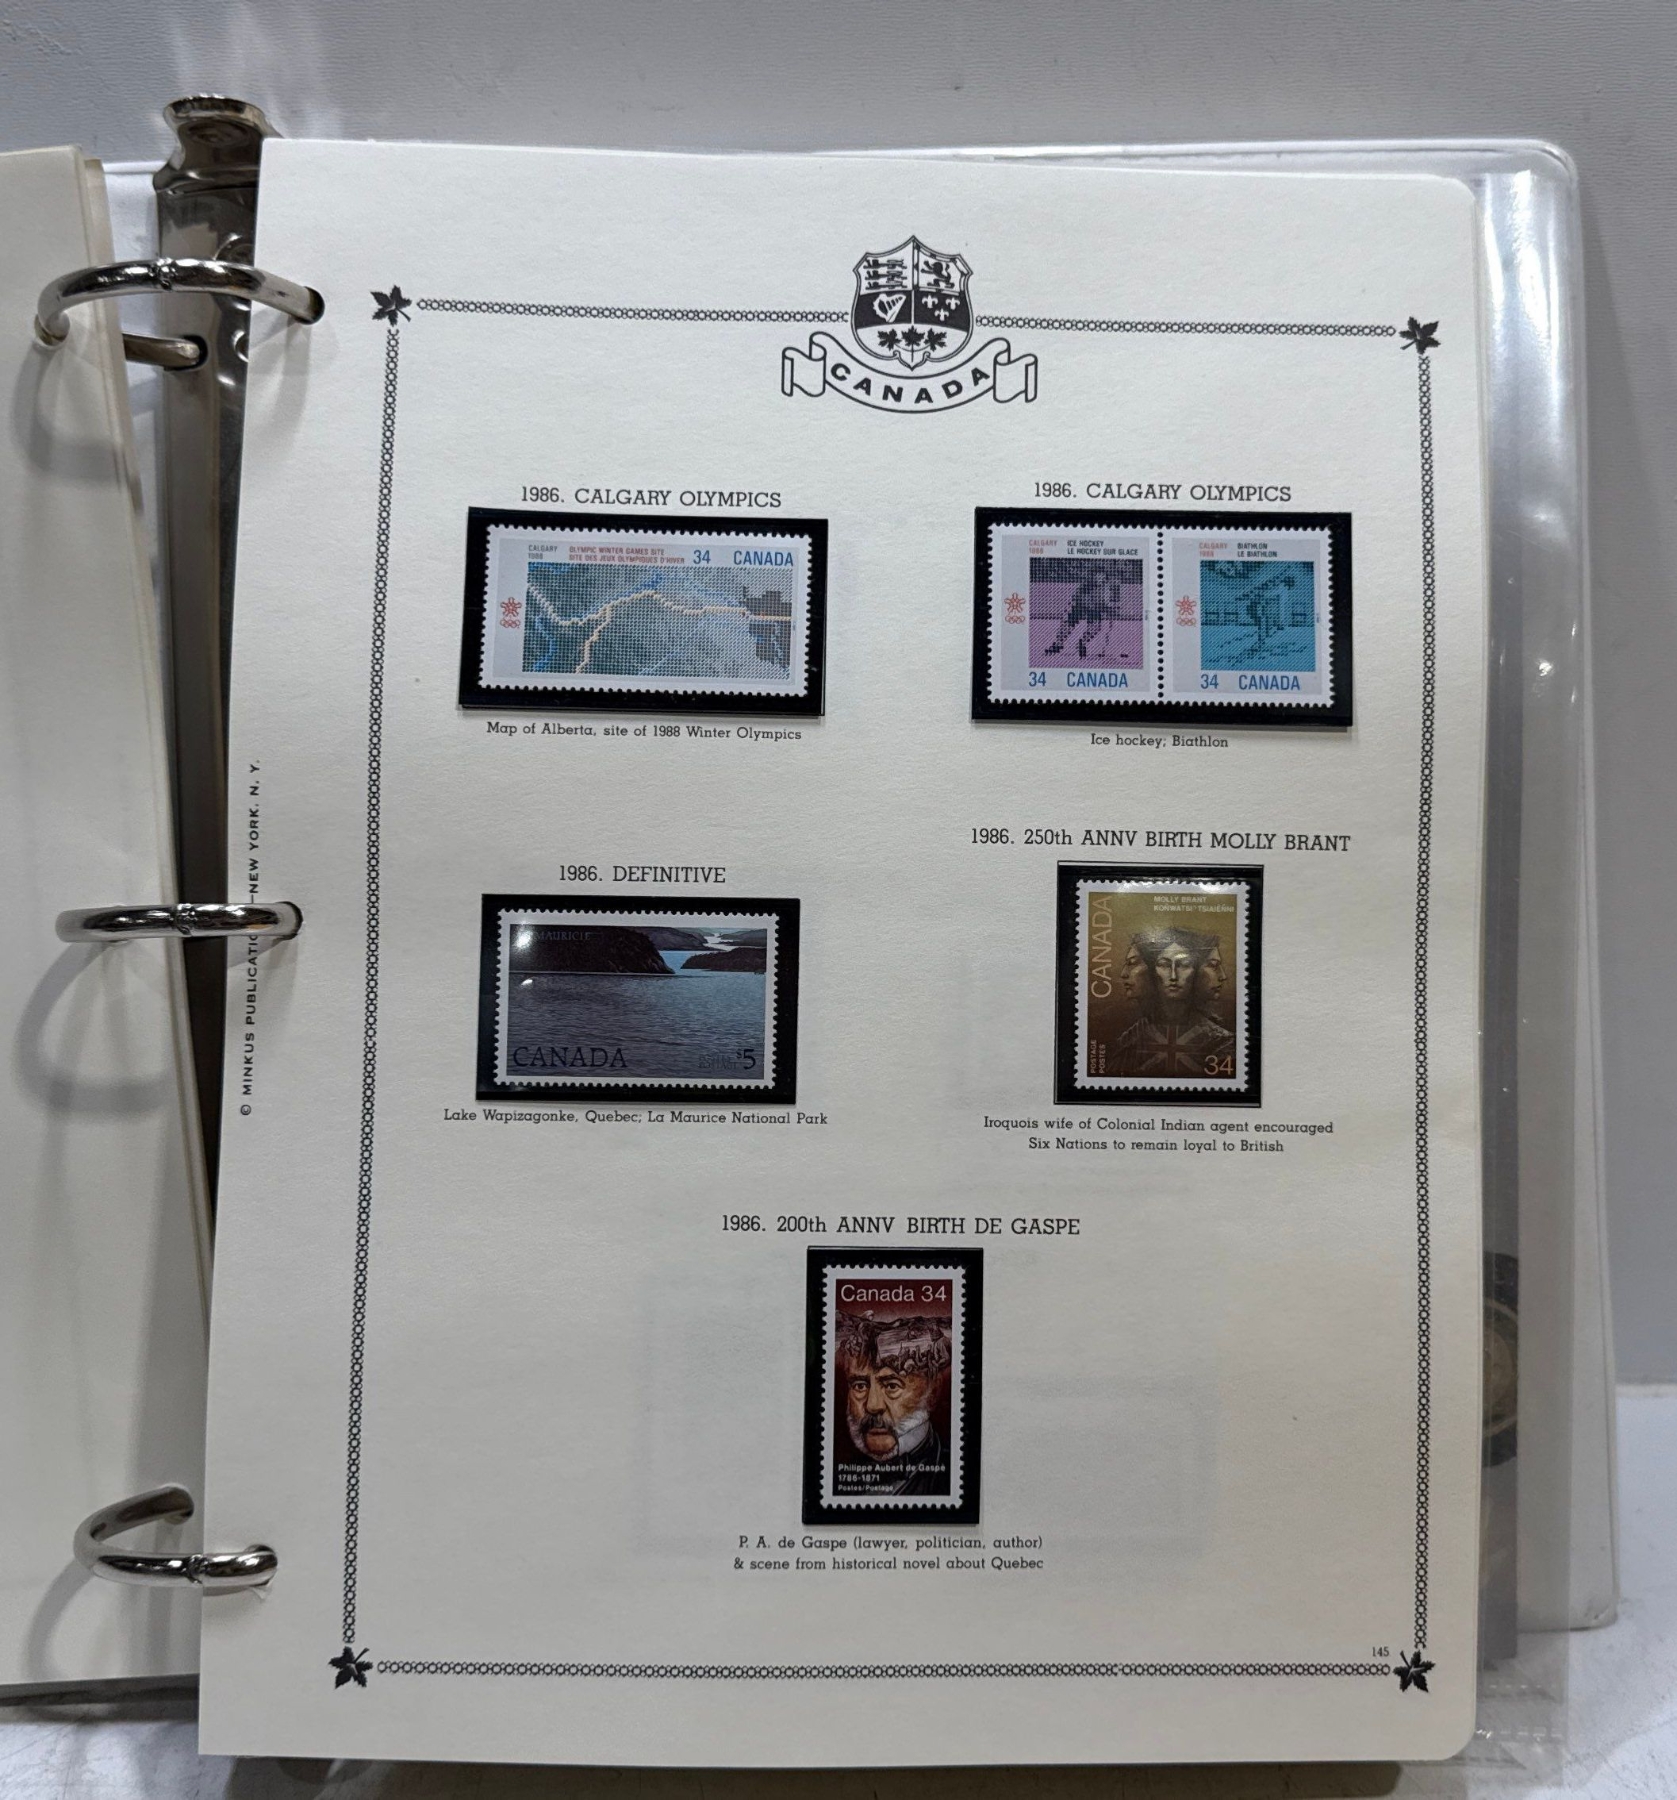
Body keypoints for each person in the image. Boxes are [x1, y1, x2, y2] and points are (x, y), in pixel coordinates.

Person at [835, 1313, 952, 1495]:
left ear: (933, 1392)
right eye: (860, 1386)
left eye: (891, 1386)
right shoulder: (833, 1474)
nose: (873, 1405)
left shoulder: (951, 1474)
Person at [1109, 924, 1235, 1078]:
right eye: (1164, 965)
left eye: (1185, 965)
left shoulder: (1220, 1040)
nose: (1173, 976)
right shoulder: (1130, 1039)